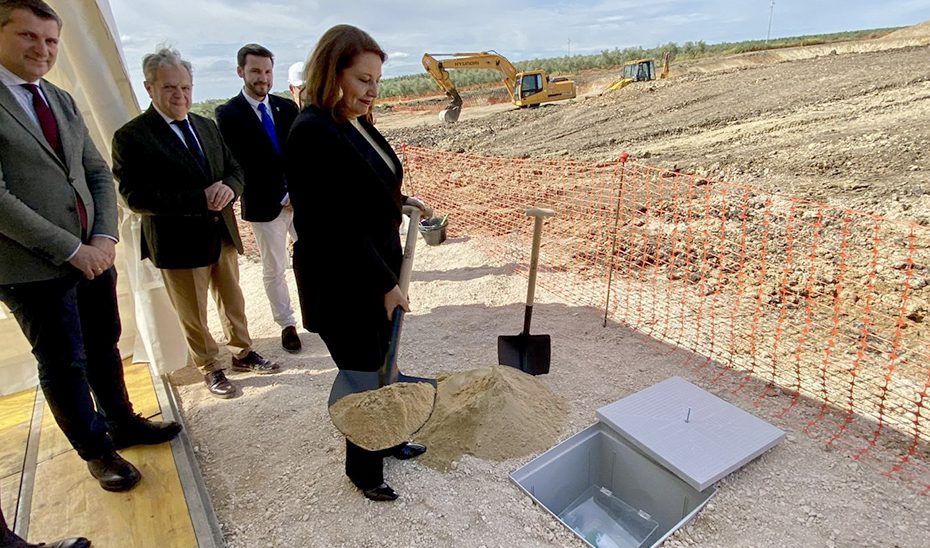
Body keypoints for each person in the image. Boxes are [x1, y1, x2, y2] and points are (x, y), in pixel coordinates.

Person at [0, 0, 181, 493]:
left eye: (52, 40)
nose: (43, 49)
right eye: (28, 37)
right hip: (33, 267)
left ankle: (122, 421)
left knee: (105, 345)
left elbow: (97, 171)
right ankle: (97, 451)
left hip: (93, 255)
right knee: (64, 363)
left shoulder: (59, 98)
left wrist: (103, 237)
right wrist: (70, 249)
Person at [285, 24, 427, 502]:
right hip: (342, 280)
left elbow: (370, 184)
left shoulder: (356, 122)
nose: (372, 91)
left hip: (375, 268)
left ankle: (388, 440)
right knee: (363, 374)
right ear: (334, 72)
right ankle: (363, 470)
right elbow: (334, 226)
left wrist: (404, 202)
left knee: (384, 362)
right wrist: (387, 283)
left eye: (377, 81)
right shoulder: (313, 132)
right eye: (363, 79)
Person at [113, 47, 281, 399]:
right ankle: (210, 367)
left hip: (220, 231)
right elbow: (134, 196)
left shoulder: (205, 125)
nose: (180, 95)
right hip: (177, 242)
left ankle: (243, 353)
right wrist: (198, 198)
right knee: (193, 312)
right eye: (170, 88)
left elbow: (235, 170)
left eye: (186, 88)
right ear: (149, 88)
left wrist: (229, 189)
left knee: (233, 298)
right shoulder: (132, 136)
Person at [215, 44, 301, 352]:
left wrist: (295, 190)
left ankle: (323, 314)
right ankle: (287, 324)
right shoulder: (227, 115)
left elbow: (298, 154)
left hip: (300, 200)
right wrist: (280, 194)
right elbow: (240, 164)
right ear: (241, 72)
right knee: (274, 267)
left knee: (315, 257)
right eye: (255, 71)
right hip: (265, 206)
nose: (263, 78)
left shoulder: (287, 108)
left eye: (267, 71)